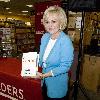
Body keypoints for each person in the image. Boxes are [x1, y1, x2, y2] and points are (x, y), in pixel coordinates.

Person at [37, 6, 74, 100]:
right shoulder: (45, 37)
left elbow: (65, 66)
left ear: (61, 22)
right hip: (44, 82)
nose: (50, 25)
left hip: (57, 84)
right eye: (47, 22)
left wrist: (45, 75)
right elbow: (42, 58)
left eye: (54, 21)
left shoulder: (65, 41)